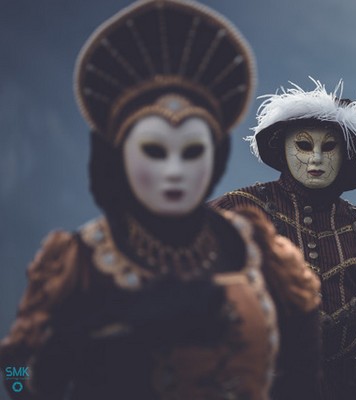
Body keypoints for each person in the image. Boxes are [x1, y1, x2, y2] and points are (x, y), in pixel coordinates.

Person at [0, 1, 321, 399]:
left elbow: (305, 369)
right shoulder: (78, 262)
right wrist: (78, 341)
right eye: (154, 151)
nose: (174, 170)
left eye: (191, 152)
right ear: (119, 156)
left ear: (214, 156)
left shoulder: (255, 247)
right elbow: (13, 370)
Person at [210, 78, 356, 399]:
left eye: (328, 146)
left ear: (346, 154)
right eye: (304, 145)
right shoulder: (239, 211)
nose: (315, 158)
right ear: (284, 149)